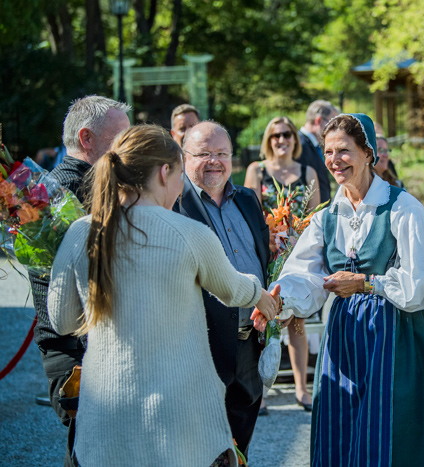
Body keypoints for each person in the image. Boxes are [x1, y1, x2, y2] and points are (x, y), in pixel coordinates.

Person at [47, 124, 278, 467]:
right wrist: (262, 296)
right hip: (178, 418)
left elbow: (62, 320)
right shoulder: (189, 233)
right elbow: (233, 290)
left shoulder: (83, 231)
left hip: (104, 412)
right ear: (165, 171)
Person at [262, 113, 424, 466]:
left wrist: (366, 283)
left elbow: (421, 284)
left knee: (391, 432)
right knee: (343, 426)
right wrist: (279, 298)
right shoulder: (326, 216)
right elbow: (306, 273)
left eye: (344, 151)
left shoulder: (402, 208)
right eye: (329, 152)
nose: (335, 160)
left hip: (396, 336)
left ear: (368, 153)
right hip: (346, 335)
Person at [29, 95, 130, 467]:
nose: (128, 145)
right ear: (87, 138)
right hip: (76, 347)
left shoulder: (77, 185)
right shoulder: (64, 193)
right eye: (121, 136)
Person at [174, 121, 270, 457]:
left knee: (240, 440)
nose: (214, 161)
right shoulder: (174, 204)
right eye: (204, 154)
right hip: (201, 345)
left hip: (249, 343)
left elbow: (265, 259)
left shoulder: (247, 199)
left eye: (222, 153)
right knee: (199, 447)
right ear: (184, 157)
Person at [244, 116, 320, 413]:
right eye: (276, 135)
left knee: (296, 321)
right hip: (266, 253)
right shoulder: (257, 170)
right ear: (268, 139)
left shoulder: (308, 171)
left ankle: (302, 389)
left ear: (294, 138)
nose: (281, 140)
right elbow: (249, 212)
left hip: (296, 256)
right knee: (262, 321)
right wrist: (270, 238)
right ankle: (261, 391)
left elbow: (315, 218)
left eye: (287, 134)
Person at [297, 100, 339, 203]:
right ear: (319, 121)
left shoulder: (313, 145)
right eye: (333, 124)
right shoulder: (300, 146)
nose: (336, 129)